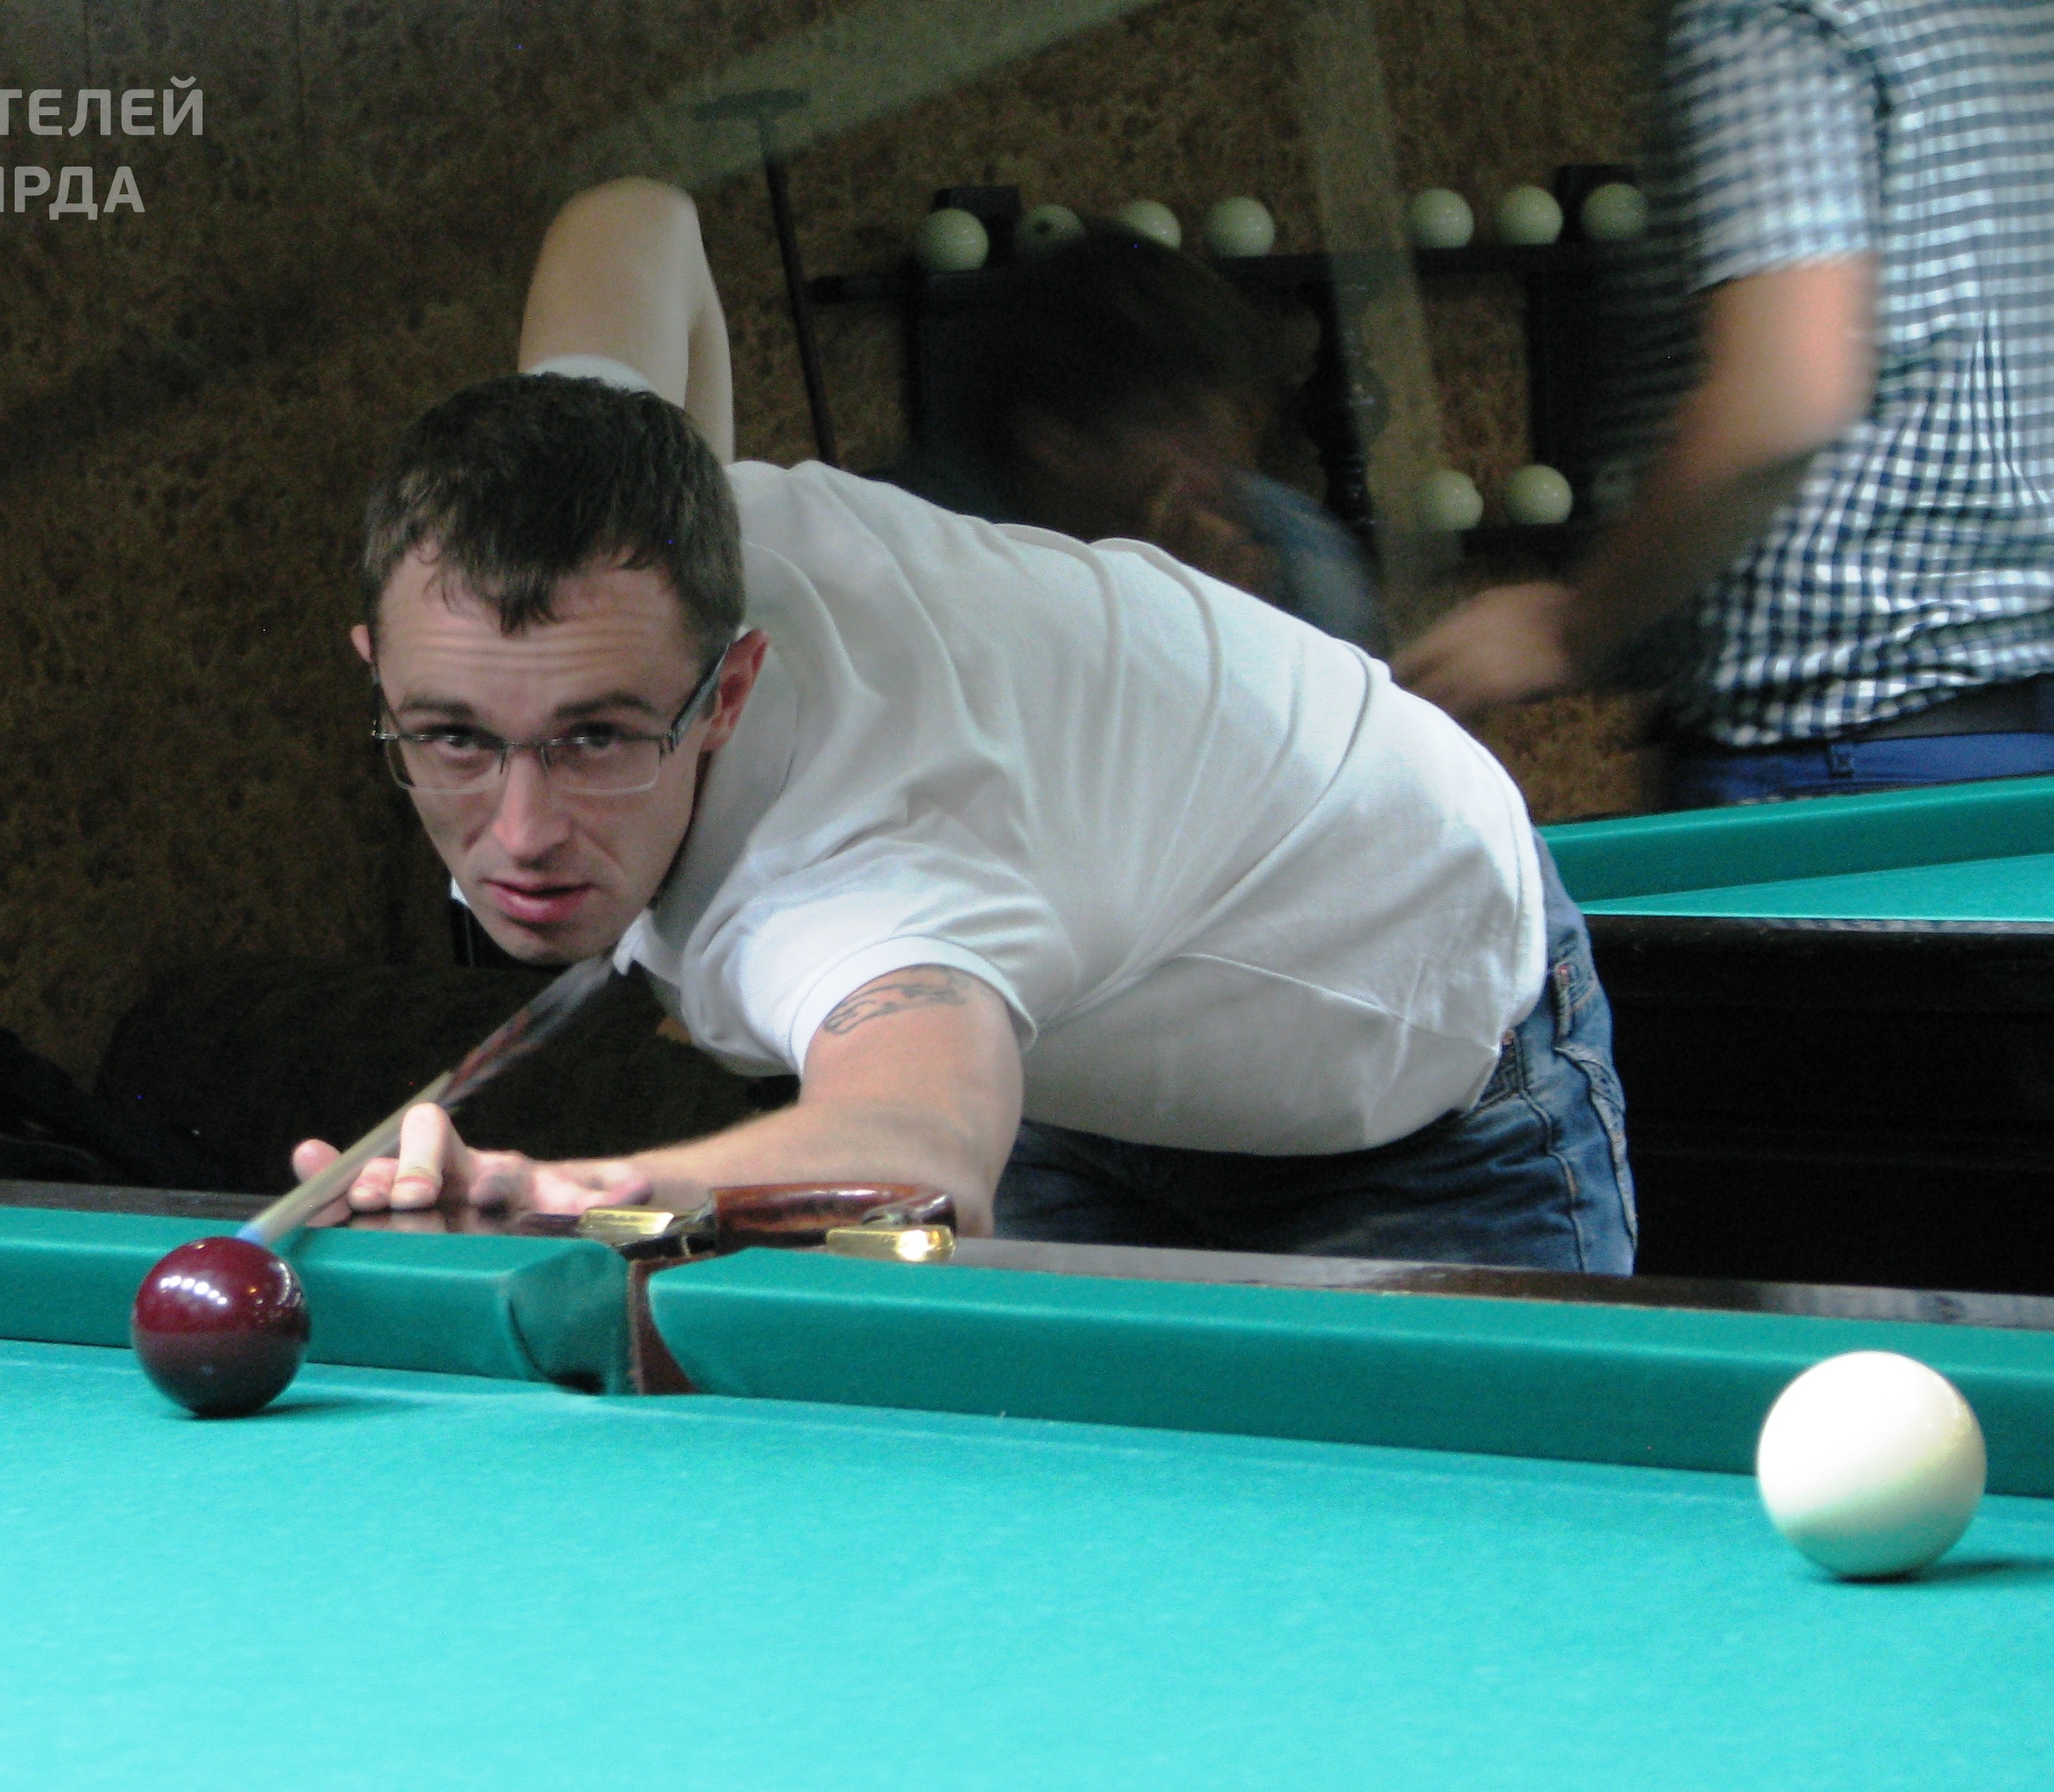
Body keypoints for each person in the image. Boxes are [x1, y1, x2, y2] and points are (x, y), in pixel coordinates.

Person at [296, 179, 1632, 1270]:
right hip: (1061, 1047)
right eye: (453, 737)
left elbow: (923, 1151)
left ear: (729, 691)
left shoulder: (863, 870)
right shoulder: (613, 506)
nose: (520, 834)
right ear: (381, 676)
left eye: (596, 737)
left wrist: (571, 1199)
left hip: (1416, 1067)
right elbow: (630, 218)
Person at [1397, 0, 2054, 806]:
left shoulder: (1770, 11)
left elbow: (1784, 399)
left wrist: (1566, 629)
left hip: (1843, 755)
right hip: (2019, 742)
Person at [876, 227, 1388, 655]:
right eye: (1190, 437)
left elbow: (1345, 738)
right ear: (1054, 444)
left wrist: (1242, 626)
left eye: (1238, 425)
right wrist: (1177, 626)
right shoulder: (912, 563)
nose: (1223, 472)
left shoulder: (1293, 550)